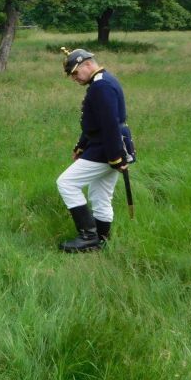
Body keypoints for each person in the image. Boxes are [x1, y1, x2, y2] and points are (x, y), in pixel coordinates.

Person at [56, 47, 135, 253]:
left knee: (66, 183)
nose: (74, 78)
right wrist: (81, 146)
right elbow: (96, 122)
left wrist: (115, 158)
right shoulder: (102, 81)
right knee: (100, 196)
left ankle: (88, 237)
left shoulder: (101, 86)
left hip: (105, 148)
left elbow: (109, 125)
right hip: (105, 146)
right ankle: (101, 240)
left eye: (75, 72)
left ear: (88, 64)